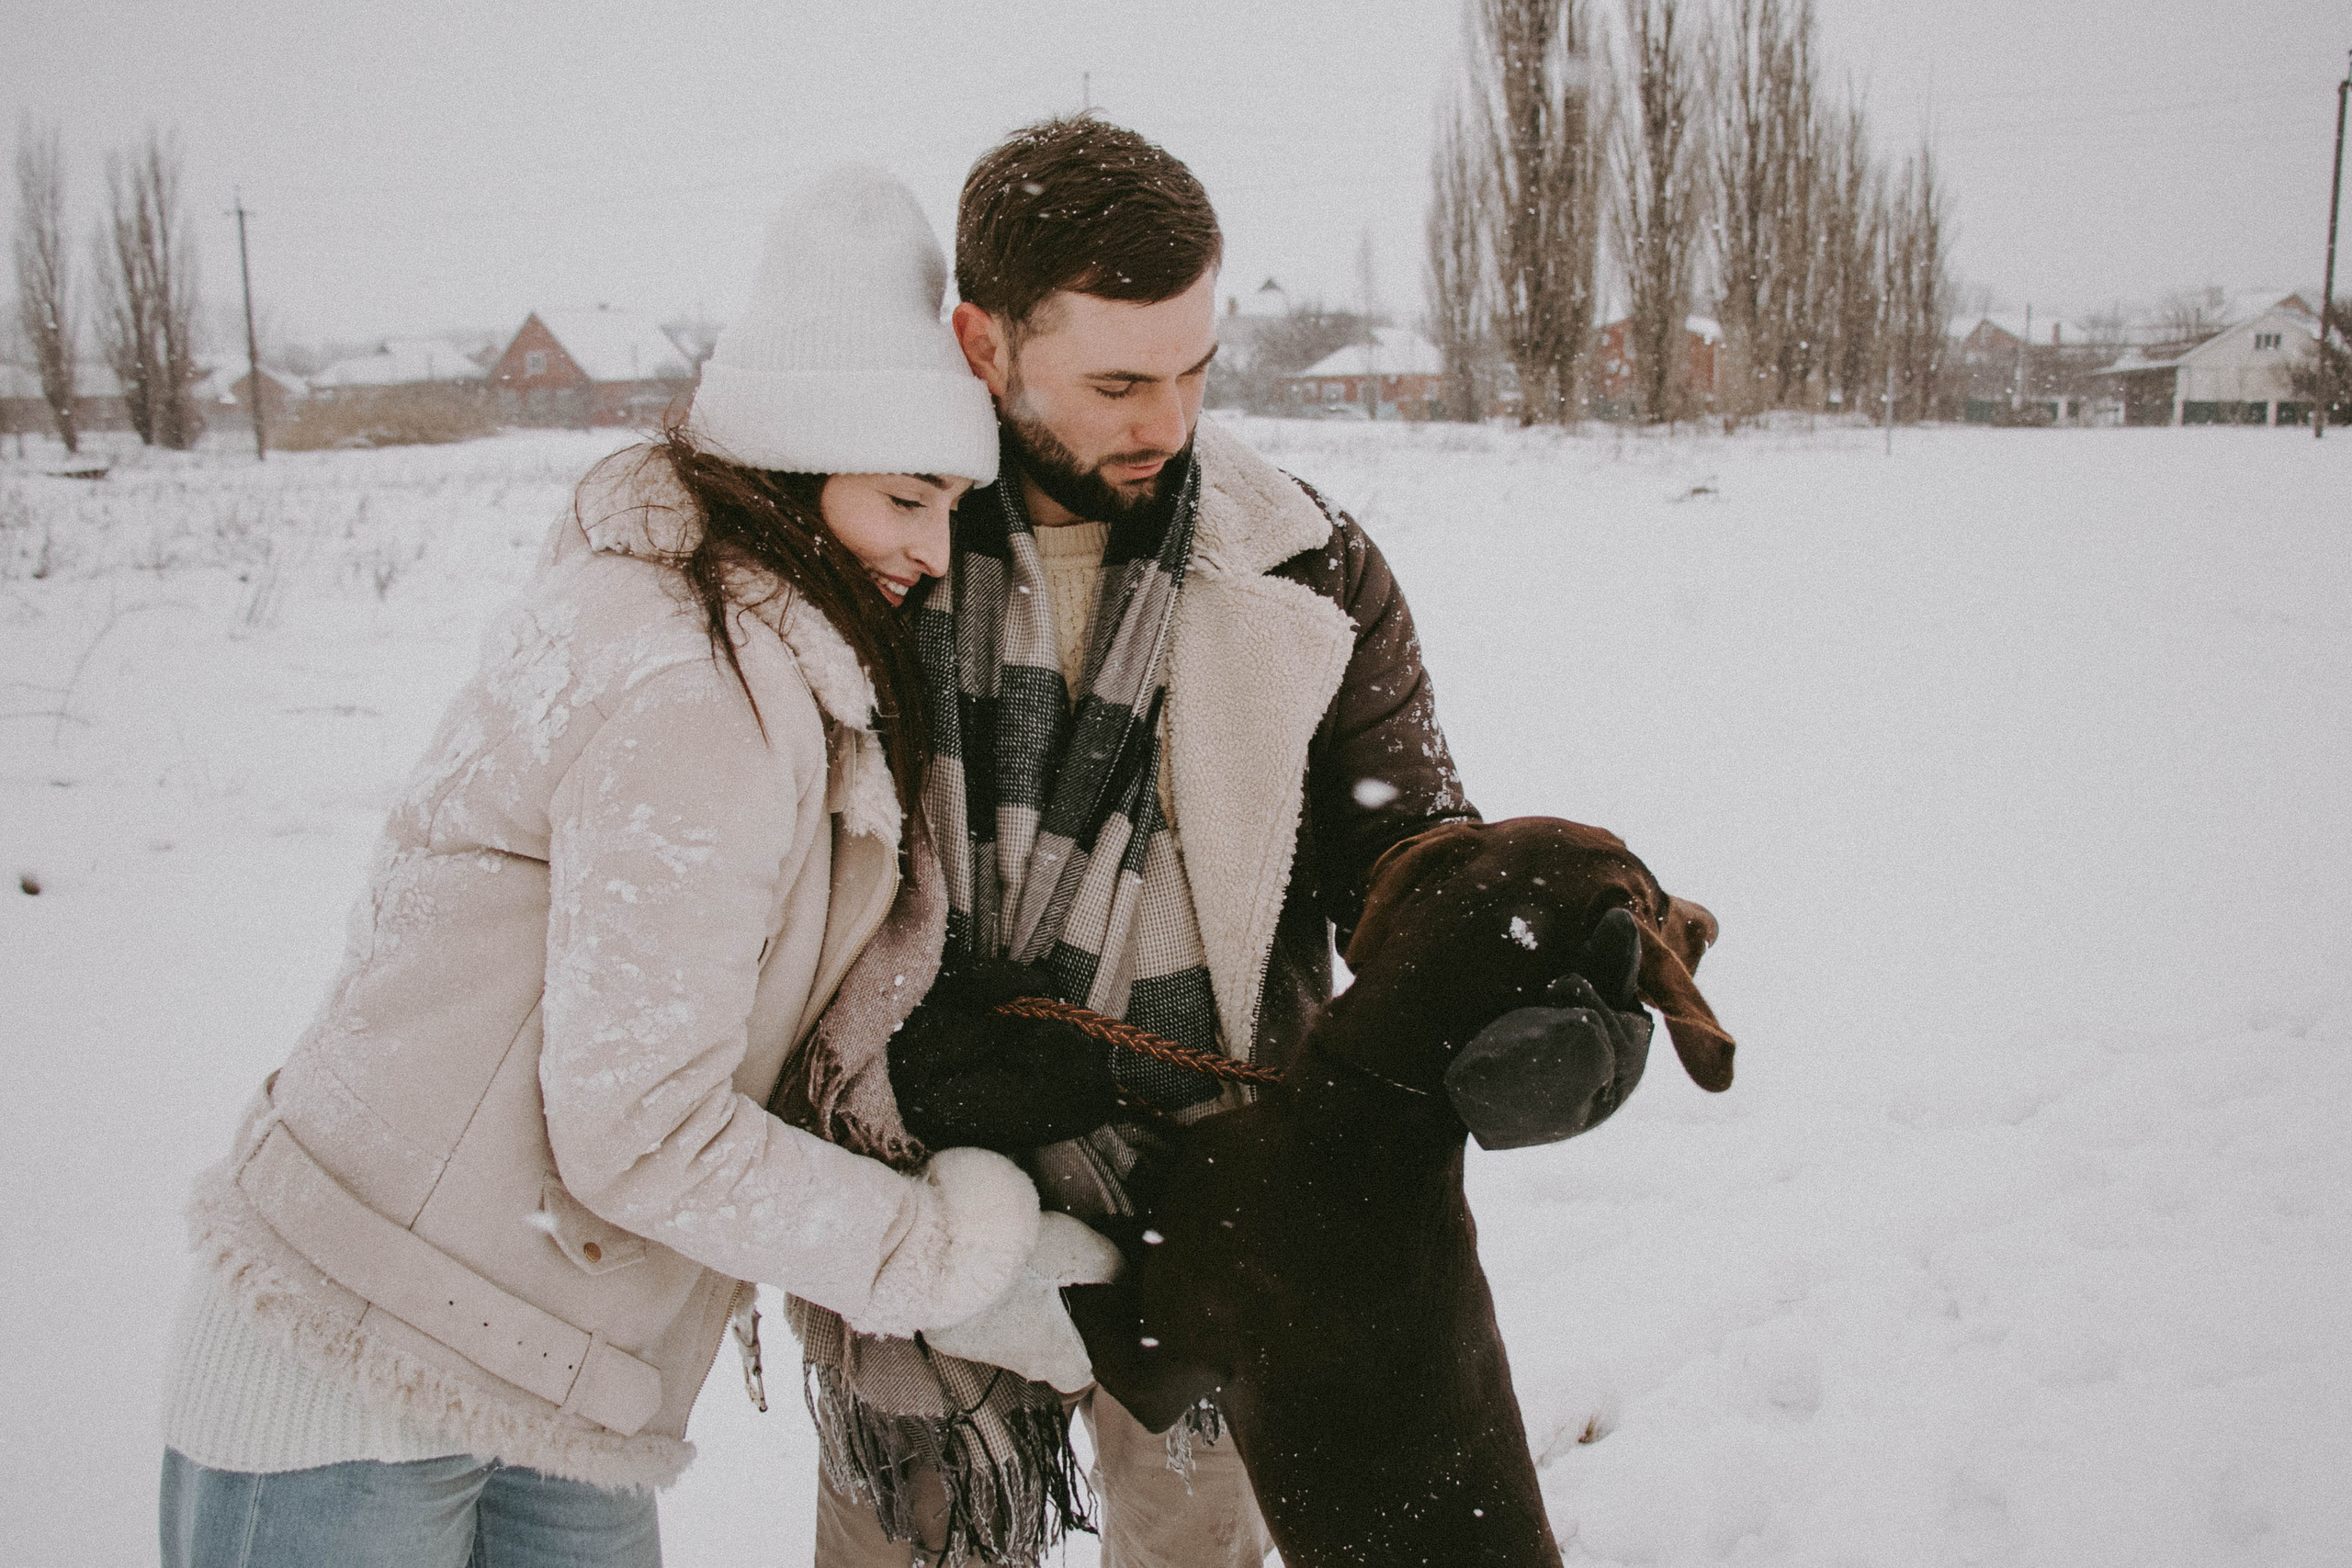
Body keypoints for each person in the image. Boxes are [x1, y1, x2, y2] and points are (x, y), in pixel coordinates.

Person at [154, 165, 1124, 1568]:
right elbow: (642, 1128)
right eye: (906, 497)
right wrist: (950, 1258)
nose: (934, 547)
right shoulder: (696, 686)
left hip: (552, 1369)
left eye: (953, 504)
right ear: (794, 471)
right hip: (359, 1362)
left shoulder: (759, 650)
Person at [795, 116, 1483, 1568]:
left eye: (1194, 370)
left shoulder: (1307, 560)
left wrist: (1496, 954)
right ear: (982, 346)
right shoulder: (868, 547)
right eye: (1116, 381)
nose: (1166, 422)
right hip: (917, 1181)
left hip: (1214, 1199)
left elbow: (1399, 842)